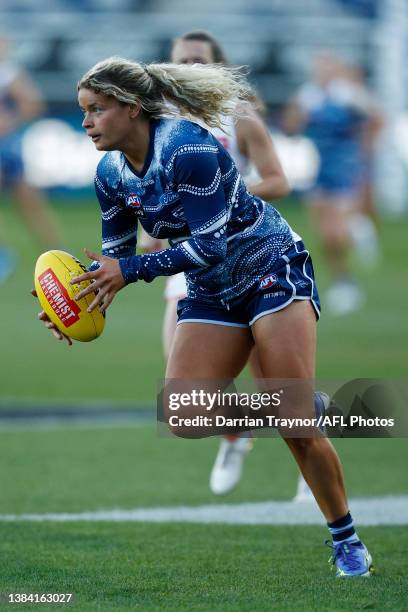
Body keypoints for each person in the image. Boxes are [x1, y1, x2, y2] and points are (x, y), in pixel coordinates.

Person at [36, 56, 374, 576]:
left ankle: (346, 538)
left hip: (270, 269)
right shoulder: (108, 174)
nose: (85, 123)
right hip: (212, 291)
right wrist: (74, 300)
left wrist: (131, 271)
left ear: (130, 109)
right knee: (185, 417)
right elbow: (115, 256)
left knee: (298, 432)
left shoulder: (186, 149)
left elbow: (210, 246)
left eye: (96, 110)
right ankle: (303, 407)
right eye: (83, 111)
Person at [140, 30, 320, 501]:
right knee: (186, 391)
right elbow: (153, 210)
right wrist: (147, 242)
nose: (190, 68)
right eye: (182, 61)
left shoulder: (237, 115)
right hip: (189, 259)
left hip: (242, 251)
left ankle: (308, 459)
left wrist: (225, 200)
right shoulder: (159, 127)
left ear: (218, 65)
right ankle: (236, 436)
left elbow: (278, 180)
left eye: (200, 60)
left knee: (273, 377)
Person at [283, 53, 381, 316]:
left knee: (336, 228)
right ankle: (343, 277)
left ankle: (355, 237)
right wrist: (298, 112)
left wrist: (365, 152)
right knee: (324, 233)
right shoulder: (308, 96)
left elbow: (376, 119)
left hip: (345, 167)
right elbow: (290, 126)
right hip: (317, 168)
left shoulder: (348, 95)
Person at [0, 35, 62, 282]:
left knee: (29, 203)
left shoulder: (7, 72)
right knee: (29, 203)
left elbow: (32, 103)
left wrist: (9, 122)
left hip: (6, 146)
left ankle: (55, 253)